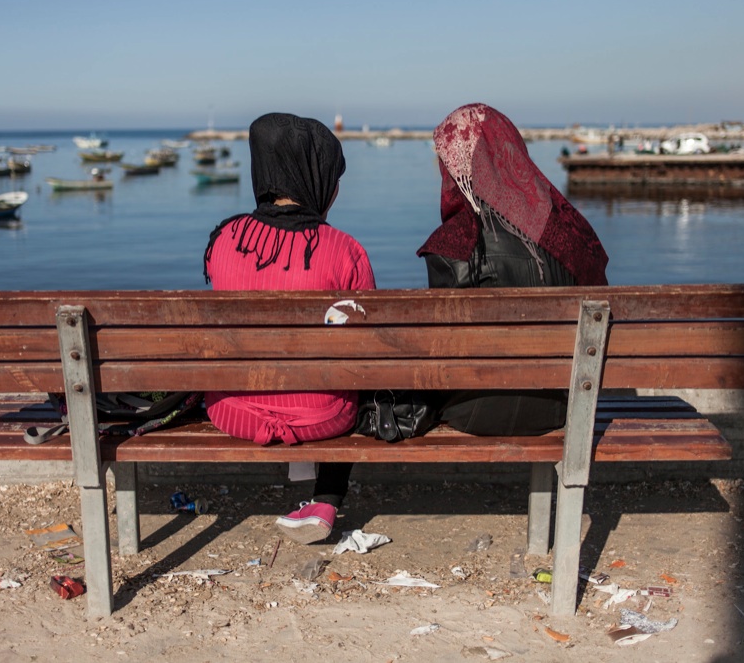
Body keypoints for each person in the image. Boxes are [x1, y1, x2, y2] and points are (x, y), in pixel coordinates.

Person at [203, 112, 375, 543]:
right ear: (315, 178)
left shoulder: (224, 240)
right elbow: (365, 349)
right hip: (323, 418)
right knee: (352, 376)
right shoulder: (345, 251)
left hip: (231, 412)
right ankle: (327, 498)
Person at [417, 102, 609, 435]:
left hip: (471, 411)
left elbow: (442, 347)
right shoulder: (568, 232)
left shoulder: (454, 243)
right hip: (559, 408)